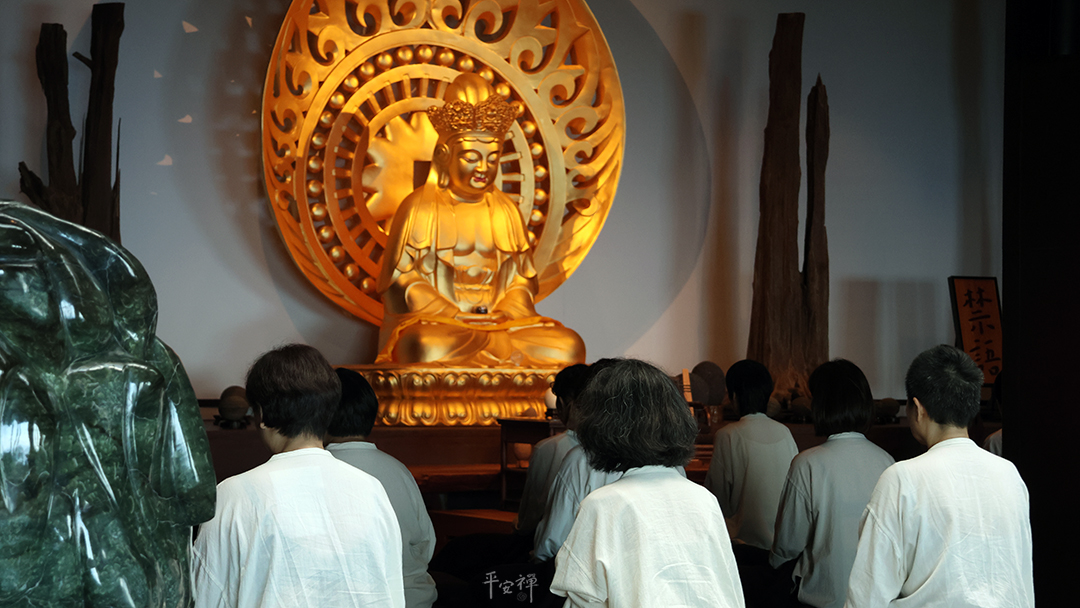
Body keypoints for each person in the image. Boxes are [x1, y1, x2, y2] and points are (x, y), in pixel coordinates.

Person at [375, 72, 584, 366]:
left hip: (503, 324)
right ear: (444, 155)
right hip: (444, 325)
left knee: (569, 346)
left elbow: (520, 282)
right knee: (422, 346)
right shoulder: (419, 209)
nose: (483, 168)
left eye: (492, 158)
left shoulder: (506, 211)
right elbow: (401, 282)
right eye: (471, 158)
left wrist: (506, 312)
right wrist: (452, 314)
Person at [192, 345, 405, 608]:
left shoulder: (234, 495)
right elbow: (391, 591)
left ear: (262, 415)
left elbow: (208, 596)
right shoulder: (371, 489)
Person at [845, 345, 1033, 607]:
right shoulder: (1009, 474)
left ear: (918, 408)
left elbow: (867, 596)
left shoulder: (901, 479)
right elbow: (1021, 581)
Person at [549, 359, 744, 607]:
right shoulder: (704, 499)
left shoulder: (602, 505)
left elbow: (583, 598)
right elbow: (729, 588)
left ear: (601, 426)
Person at [769, 360, 894, 608]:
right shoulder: (887, 462)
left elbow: (787, 545)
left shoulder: (807, 464)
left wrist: (774, 564)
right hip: (877, 600)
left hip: (823, 599)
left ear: (820, 405)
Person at [325, 368, 437, 608]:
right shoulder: (398, 469)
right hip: (413, 599)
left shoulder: (315, 470)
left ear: (315, 416)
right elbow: (426, 543)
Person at [704, 360, 798, 551]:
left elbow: (715, 499)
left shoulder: (728, 435)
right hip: (783, 545)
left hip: (745, 549)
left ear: (734, 397)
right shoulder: (785, 432)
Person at [516, 363, 591, 536]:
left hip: (550, 542)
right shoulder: (614, 449)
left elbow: (530, 515)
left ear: (562, 404)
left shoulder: (549, 448)